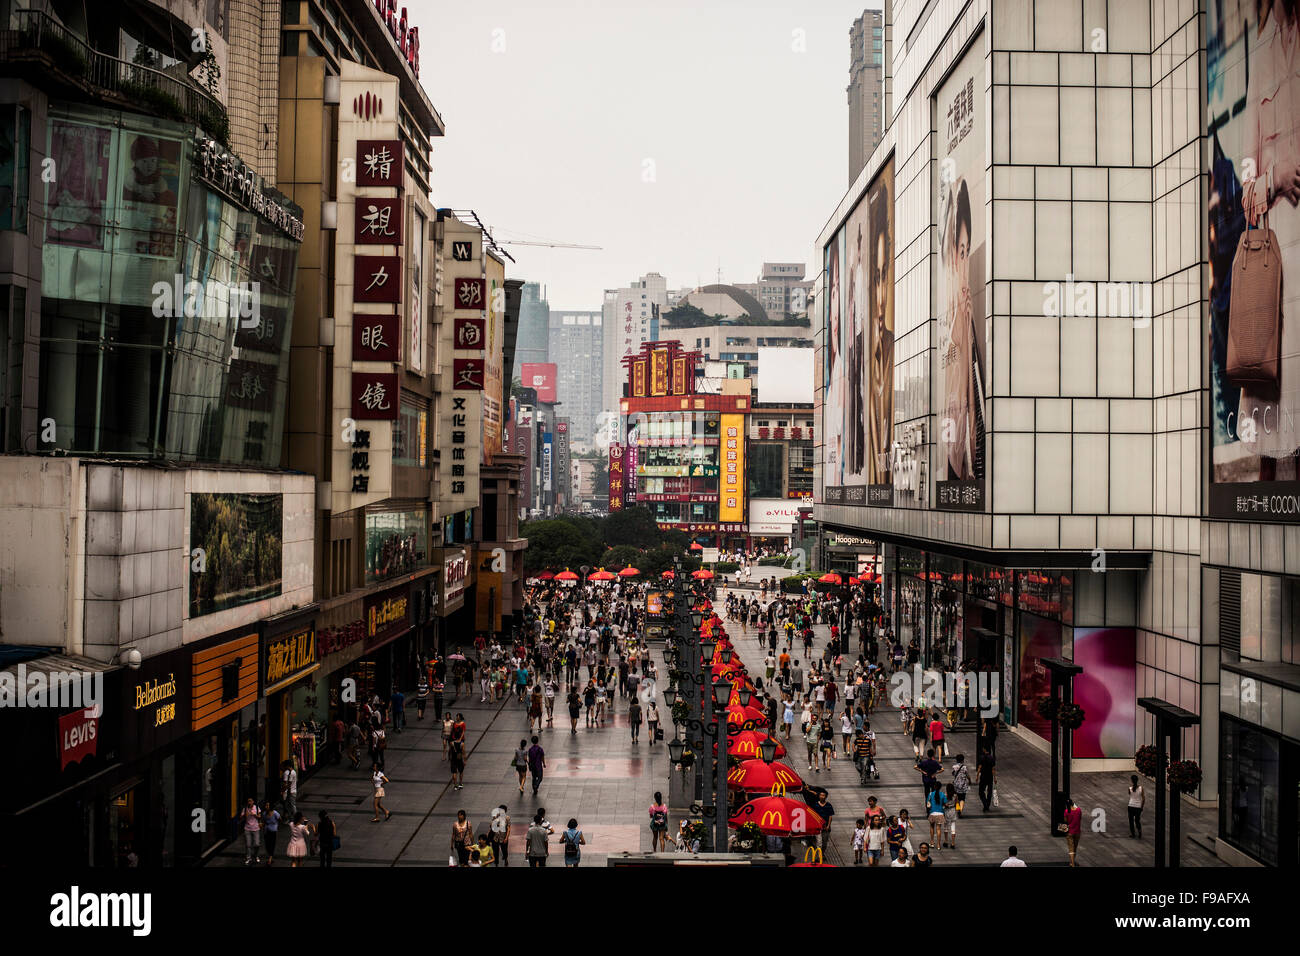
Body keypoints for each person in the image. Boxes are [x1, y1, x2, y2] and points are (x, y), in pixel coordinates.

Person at [240, 797, 263, 866]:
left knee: (257, 844)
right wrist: (243, 815)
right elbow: (241, 817)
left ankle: (256, 856)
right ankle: (248, 858)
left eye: (250, 801)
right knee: (248, 845)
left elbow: (260, 816)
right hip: (247, 829)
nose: (249, 802)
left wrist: (255, 815)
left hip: (256, 828)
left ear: (253, 801)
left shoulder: (256, 808)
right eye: (248, 801)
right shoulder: (245, 808)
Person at [1063, 797, 1083, 867]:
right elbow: (1080, 818)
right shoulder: (1079, 810)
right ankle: (1072, 862)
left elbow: (1065, 821)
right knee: (1075, 847)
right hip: (1077, 832)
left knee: (1071, 848)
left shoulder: (1066, 811)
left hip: (1070, 832)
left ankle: (1073, 864)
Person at [977, 746, 996, 811]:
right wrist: (995, 778)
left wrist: (977, 777)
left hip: (983, 777)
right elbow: (993, 769)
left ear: (984, 749)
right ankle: (987, 804)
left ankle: (985, 804)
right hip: (990, 777)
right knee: (989, 791)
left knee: (981, 791)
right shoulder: (992, 758)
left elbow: (979, 767)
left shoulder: (981, 757)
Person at [926, 784, 946, 848]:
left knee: (932, 827)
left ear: (934, 787)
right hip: (940, 813)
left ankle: (932, 842)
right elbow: (945, 803)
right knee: (938, 829)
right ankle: (938, 845)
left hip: (932, 813)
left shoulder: (931, 794)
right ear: (940, 787)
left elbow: (928, 802)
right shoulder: (943, 794)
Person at [1127, 774, 1145, 839]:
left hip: (1131, 805)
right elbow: (1143, 799)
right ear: (1137, 780)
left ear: (1132, 781)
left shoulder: (1130, 788)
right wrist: (1141, 807)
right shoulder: (1141, 788)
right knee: (1137, 820)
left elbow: (1130, 795)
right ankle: (1139, 832)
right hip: (1138, 807)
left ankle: (1133, 834)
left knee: (1131, 821)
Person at [942, 782, 959, 849]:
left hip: (946, 811)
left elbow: (943, 804)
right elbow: (957, 803)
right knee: (953, 827)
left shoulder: (945, 795)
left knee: (946, 827)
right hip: (953, 811)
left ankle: (946, 841)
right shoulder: (955, 795)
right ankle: (953, 843)